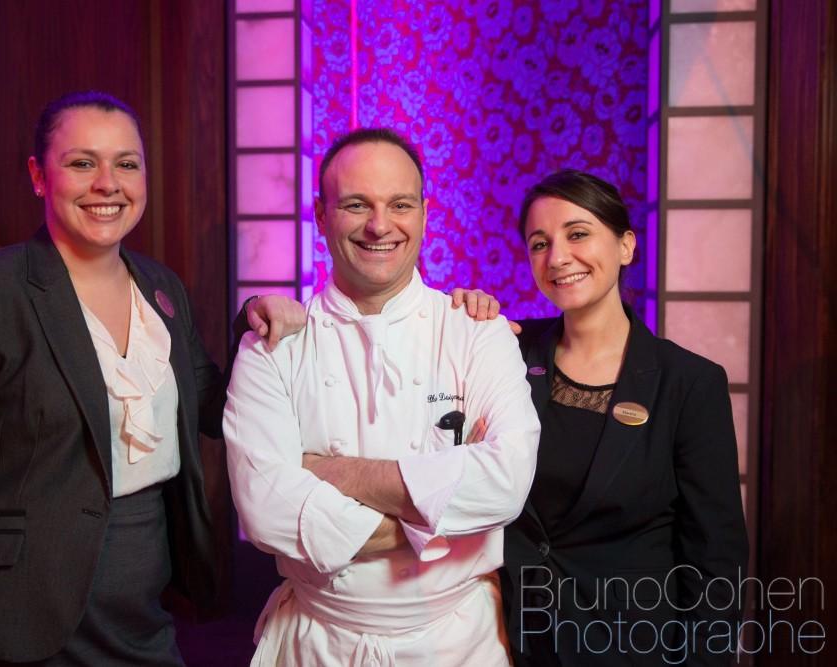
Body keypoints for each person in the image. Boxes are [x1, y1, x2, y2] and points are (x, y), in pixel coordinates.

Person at [0, 90, 306, 666]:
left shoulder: (161, 288)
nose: (108, 184)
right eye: (82, 163)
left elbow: (211, 404)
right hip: (15, 625)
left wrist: (255, 321)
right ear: (39, 176)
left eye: (126, 164)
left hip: (145, 615)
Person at [223, 128, 541, 665]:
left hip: (457, 643)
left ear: (424, 214)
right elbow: (265, 511)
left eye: (400, 204)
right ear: (321, 216)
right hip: (317, 641)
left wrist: (329, 472)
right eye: (356, 204)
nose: (379, 225)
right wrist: (440, 518)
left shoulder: (477, 331)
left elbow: (506, 483)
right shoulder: (273, 345)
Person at [500, 169, 749, 666]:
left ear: (626, 246)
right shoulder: (507, 353)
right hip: (513, 642)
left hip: (630, 647)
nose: (558, 257)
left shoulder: (688, 383)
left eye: (577, 234)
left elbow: (716, 557)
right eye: (539, 243)